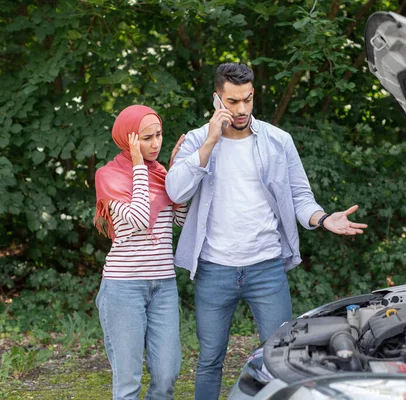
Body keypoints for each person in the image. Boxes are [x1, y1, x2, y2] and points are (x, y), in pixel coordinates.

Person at [166, 62, 367, 400]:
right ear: (217, 99)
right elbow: (175, 192)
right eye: (232, 101)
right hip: (214, 270)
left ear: (253, 94)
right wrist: (210, 142)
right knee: (210, 360)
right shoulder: (197, 141)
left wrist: (322, 218)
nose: (241, 109)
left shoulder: (278, 141)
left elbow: (300, 196)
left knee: (282, 359)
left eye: (247, 99)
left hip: (266, 269)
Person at [94, 105, 187, 400]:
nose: (156, 143)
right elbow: (137, 219)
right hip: (123, 287)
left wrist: (177, 178)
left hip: (163, 286)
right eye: (146, 138)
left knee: (167, 374)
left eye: (159, 135)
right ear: (129, 139)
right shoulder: (108, 176)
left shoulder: (161, 174)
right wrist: (137, 166)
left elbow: (181, 220)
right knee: (127, 381)